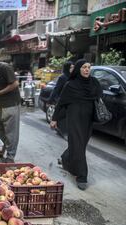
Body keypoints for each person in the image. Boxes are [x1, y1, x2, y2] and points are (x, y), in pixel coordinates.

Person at [50, 59, 102, 190]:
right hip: (74, 119)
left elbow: (99, 96)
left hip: (88, 120)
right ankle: (82, 176)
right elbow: (61, 103)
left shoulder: (94, 82)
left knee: (80, 145)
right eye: (84, 67)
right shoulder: (70, 85)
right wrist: (54, 118)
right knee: (78, 145)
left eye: (89, 67)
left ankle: (65, 158)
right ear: (79, 69)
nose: (86, 70)